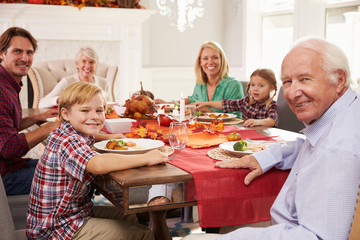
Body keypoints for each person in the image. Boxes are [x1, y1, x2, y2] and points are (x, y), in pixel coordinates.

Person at [190, 37, 360, 240]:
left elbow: (317, 237)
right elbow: (309, 146)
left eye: (305, 79)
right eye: (287, 81)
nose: (292, 93)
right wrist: (266, 157)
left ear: (339, 79)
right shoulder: (345, 116)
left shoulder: (337, 150)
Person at [26, 81, 168, 240]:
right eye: (85, 110)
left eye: (99, 110)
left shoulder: (66, 133)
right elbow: (98, 164)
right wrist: (145, 158)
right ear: (65, 114)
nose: (94, 116)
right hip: (57, 227)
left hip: (68, 213)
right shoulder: (68, 142)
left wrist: (109, 137)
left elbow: (88, 138)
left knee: (128, 217)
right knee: (143, 235)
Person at [0, 27, 60, 195]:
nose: (25, 58)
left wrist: (38, 118)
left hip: (12, 165)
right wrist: (48, 128)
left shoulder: (8, 82)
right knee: (73, 177)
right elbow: (8, 147)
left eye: (29, 52)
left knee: (61, 163)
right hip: (5, 176)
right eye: (17, 51)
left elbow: (8, 127)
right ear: (2, 53)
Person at [155, 41, 244, 118]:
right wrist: (168, 104)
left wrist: (207, 112)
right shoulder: (200, 84)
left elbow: (237, 120)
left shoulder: (233, 85)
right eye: (205, 58)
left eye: (215, 57)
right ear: (200, 62)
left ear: (222, 60)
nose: (210, 62)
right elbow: (192, 100)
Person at [193, 68, 279, 127]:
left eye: (261, 86)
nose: (255, 89)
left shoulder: (272, 105)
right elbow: (225, 104)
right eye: (252, 85)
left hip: (264, 139)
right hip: (247, 137)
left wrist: (258, 122)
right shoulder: (246, 101)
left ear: (271, 88)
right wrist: (205, 103)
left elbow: (272, 121)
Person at [38, 46, 110, 109]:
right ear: (77, 64)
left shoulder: (104, 83)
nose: (87, 66)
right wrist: (59, 99)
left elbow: (111, 106)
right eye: (84, 61)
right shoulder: (67, 82)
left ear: (96, 65)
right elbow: (41, 104)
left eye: (91, 62)